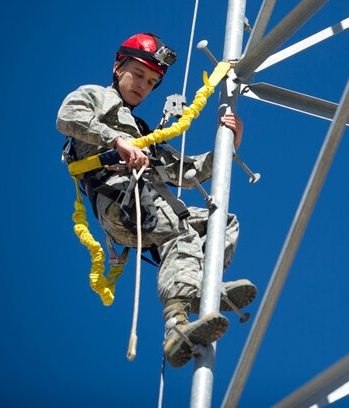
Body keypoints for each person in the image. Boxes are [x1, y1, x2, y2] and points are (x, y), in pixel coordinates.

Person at [57, 32, 256, 368]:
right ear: (119, 67)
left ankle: (200, 289)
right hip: (120, 198)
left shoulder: (141, 130)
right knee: (180, 231)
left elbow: (184, 171)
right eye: (138, 74)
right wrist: (117, 141)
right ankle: (178, 316)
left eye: (152, 82)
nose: (143, 86)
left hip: (147, 202)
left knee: (220, 222)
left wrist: (227, 146)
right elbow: (67, 117)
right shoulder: (94, 97)